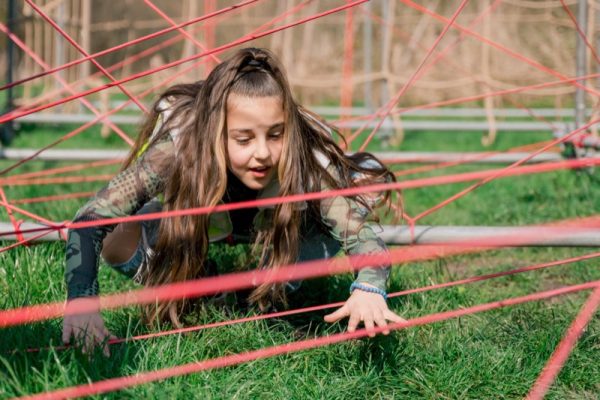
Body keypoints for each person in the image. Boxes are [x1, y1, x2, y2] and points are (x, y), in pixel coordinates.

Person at [63, 47, 405, 354]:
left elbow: (360, 233)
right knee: (116, 237)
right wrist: (82, 302)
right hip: (207, 221)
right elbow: (88, 220)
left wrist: (369, 288)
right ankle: (202, 287)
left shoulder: (303, 157)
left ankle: (264, 291)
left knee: (356, 199)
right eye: (243, 139)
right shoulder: (177, 149)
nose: (262, 153)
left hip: (287, 227)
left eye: (275, 134)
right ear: (215, 133)